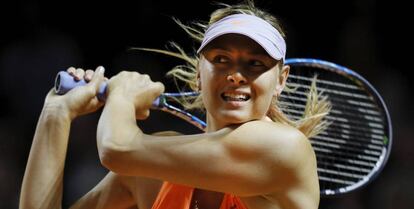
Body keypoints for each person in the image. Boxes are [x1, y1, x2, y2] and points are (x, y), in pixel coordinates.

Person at [19, 1, 331, 209]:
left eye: (255, 63)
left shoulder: (285, 149)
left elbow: (116, 149)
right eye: (221, 60)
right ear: (199, 73)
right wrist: (56, 114)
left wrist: (123, 95)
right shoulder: (152, 170)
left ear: (281, 80)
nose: (236, 75)